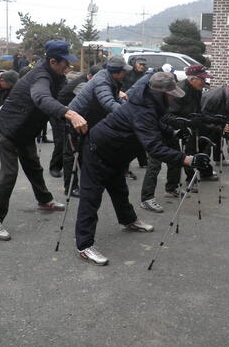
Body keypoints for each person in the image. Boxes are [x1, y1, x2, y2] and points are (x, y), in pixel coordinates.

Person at [74, 72, 211, 265]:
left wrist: (174, 132)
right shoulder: (143, 110)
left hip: (116, 154)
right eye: (170, 93)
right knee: (91, 198)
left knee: (119, 189)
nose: (173, 97)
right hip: (98, 152)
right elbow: (154, 147)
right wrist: (187, 159)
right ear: (159, 93)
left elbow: (156, 124)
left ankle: (128, 220)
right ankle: (84, 245)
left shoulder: (148, 103)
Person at [0, 40, 87, 241]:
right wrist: (69, 115)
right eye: (66, 63)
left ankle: (44, 200)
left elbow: (61, 98)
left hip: (26, 131)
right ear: (53, 61)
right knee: (9, 175)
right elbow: (41, 98)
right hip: (10, 130)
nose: (69, 67)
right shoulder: (40, 76)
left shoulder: (57, 75)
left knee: (33, 166)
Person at [139, 64, 213, 212]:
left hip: (174, 129)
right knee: (155, 163)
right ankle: (146, 199)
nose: (204, 82)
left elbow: (195, 111)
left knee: (176, 158)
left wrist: (203, 120)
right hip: (158, 128)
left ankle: (171, 188)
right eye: (202, 79)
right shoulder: (179, 90)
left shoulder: (197, 90)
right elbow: (166, 115)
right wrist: (185, 123)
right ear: (192, 79)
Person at [63, 56, 131, 197]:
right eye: (124, 71)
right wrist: (128, 115)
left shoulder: (111, 79)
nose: (126, 73)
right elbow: (108, 102)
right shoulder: (102, 81)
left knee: (86, 152)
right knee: (73, 154)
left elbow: (116, 99)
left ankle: (88, 183)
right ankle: (71, 187)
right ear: (117, 72)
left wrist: (129, 108)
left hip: (89, 120)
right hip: (76, 120)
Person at [52, 64, 102, 178]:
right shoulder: (82, 84)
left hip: (72, 113)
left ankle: (77, 166)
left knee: (72, 145)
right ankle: (54, 167)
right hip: (60, 112)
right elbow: (92, 98)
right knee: (62, 142)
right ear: (90, 76)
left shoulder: (90, 82)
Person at [122, 57, 149, 174]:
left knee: (139, 135)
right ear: (134, 64)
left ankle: (143, 161)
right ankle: (125, 167)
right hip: (126, 104)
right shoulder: (127, 74)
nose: (142, 66)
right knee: (128, 136)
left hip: (140, 106)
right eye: (140, 64)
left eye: (144, 64)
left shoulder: (146, 75)